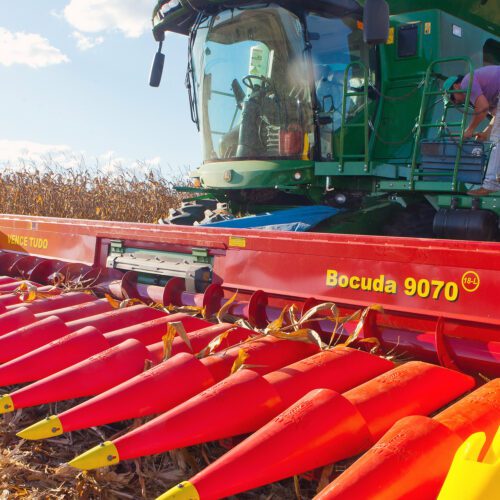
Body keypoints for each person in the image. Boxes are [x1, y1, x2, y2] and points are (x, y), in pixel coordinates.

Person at [444, 65, 500, 195]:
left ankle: (490, 184)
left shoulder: (466, 83)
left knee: (497, 139)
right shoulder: (486, 91)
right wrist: (486, 132)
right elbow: (496, 115)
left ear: (456, 86)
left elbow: (482, 108)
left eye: (453, 98)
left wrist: (469, 130)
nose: (456, 102)